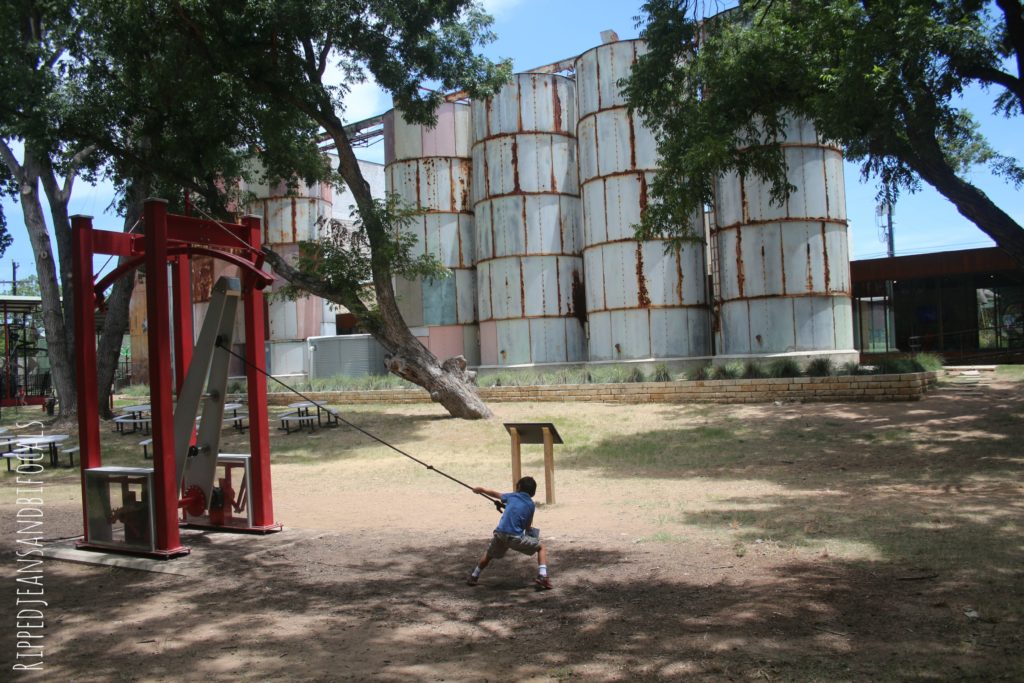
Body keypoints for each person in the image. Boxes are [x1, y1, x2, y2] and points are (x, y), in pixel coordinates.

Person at [467, 476, 552, 590]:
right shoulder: (531, 505)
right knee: (541, 547)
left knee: (489, 554)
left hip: (500, 534)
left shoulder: (512, 496)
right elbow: (527, 526)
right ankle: (543, 575)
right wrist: (530, 532)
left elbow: (496, 494)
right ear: (533, 492)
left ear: (519, 487)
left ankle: (474, 575)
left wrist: (481, 490)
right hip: (515, 537)